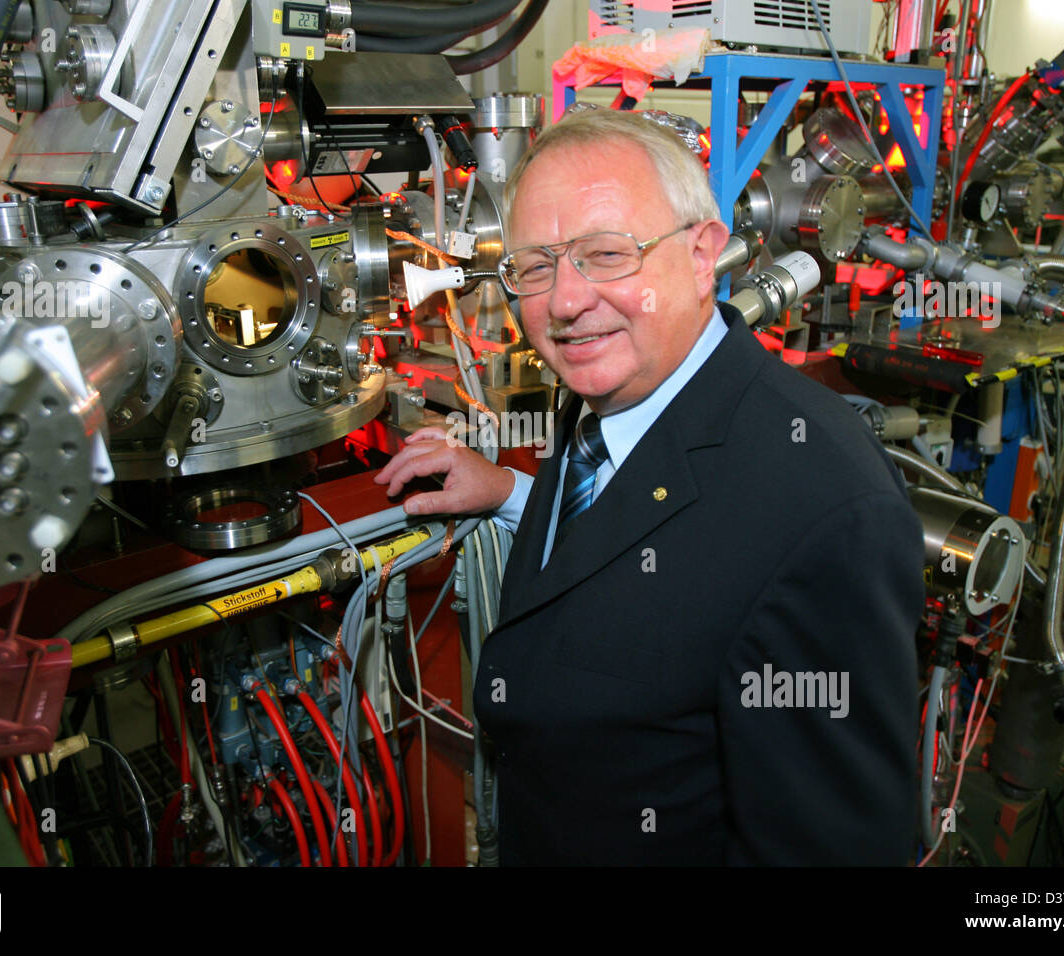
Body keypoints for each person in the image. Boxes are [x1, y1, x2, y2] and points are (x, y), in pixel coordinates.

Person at [375, 109, 924, 865]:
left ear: (702, 257)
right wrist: (507, 490)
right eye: (536, 266)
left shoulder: (826, 510)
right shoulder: (619, 385)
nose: (564, 303)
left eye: (607, 255)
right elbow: (649, 545)